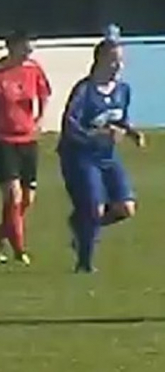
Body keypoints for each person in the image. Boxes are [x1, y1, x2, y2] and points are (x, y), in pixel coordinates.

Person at [57, 33, 145, 273]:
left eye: (121, 61)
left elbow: (121, 119)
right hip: (80, 156)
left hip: (107, 156)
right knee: (94, 208)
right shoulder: (85, 90)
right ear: (100, 60)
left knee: (126, 208)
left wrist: (131, 132)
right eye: (114, 60)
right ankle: (84, 263)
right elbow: (70, 125)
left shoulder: (123, 90)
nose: (119, 66)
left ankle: (81, 227)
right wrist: (97, 135)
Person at [0, 30, 51, 266]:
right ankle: (19, 249)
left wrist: (39, 120)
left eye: (31, 46)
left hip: (27, 139)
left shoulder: (33, 69)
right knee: (13, 194)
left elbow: (44, 94)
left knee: (27, 199)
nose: (29, 51)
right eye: (25, 46)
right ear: (11, 46)